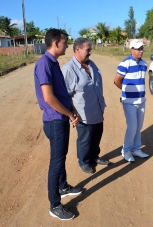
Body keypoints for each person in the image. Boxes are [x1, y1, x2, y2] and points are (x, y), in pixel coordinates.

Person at [34, 28, 82, 221]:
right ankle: (55, 204)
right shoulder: (44, 64)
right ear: (55, 43)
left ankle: (63, 187)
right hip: (55, 120)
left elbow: (61, 93)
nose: (67, 46)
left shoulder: (53, 63)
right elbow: (49, 98)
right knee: (56, 162)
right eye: (64, 42)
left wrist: (71, 109)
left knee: (60, 157)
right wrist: (70, 114)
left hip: (60, 118)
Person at [62, 37, 109, 174]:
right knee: (85, 140)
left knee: (96, 136)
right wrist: (71, 113)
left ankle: (94, 157)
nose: (90, 53)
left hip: (97, 109)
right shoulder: (69, 69)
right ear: (77, 49)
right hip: (83, 113)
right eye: (88, 50)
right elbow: (65, 94)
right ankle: (84, 161)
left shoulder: (92, 64)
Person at [114, 39, 149, 162]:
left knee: (139, 127)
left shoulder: (144, 64)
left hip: (141, 101)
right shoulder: (125, 64)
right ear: (131, 50)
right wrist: (126, 92)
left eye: (142, 49)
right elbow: (117, 81)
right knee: (132, 128)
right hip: (129, 102)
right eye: (138, 49)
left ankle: (136, 148)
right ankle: (126, 150)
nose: (141, 51)